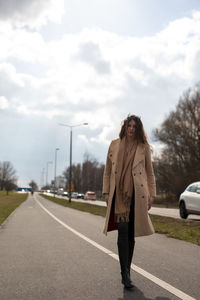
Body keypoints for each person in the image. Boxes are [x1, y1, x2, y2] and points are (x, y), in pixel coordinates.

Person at [102, 114, 156, 289]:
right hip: (119, 195)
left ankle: (127, 271)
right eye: (129, 126)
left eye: (134, 126)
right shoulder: (114, 144)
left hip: (137, 195)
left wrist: (151, 194)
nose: (131, 129)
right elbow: (107, 171)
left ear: (138, 129)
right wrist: (106, 192)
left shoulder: (143, 147)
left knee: (131, 235)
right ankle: (124, 273)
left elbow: (150, 172)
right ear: (125, 127)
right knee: (122, 232)